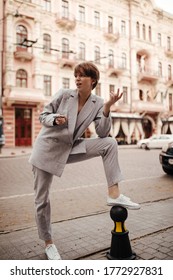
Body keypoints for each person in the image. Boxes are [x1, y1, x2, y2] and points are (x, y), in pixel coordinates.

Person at [29, 61, 140, 260]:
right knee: (42, 200)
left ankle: (114, 194)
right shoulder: (64, 94)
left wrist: (107, 108)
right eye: (76, 76)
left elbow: (103, 132)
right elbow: (43, 115)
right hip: (46, 151)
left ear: (93, 80)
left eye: (82, 76)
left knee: (109, 143)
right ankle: (49, 244)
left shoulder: (97, 102)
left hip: (70, 148)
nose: (77, 79)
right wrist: (54, 119)